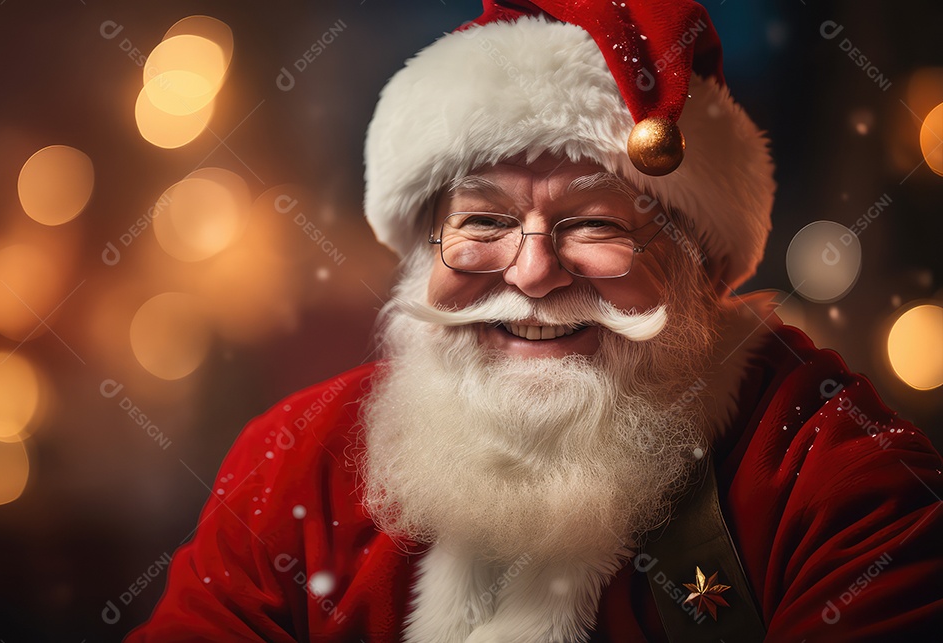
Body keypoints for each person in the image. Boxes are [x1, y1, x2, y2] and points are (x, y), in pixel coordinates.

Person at [126, 0, 943, 640]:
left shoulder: (838, 481)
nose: (532, 271)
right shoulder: (290, 466)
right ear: (423, 249)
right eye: (481, 223)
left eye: (595, 225)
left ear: (699, 266)